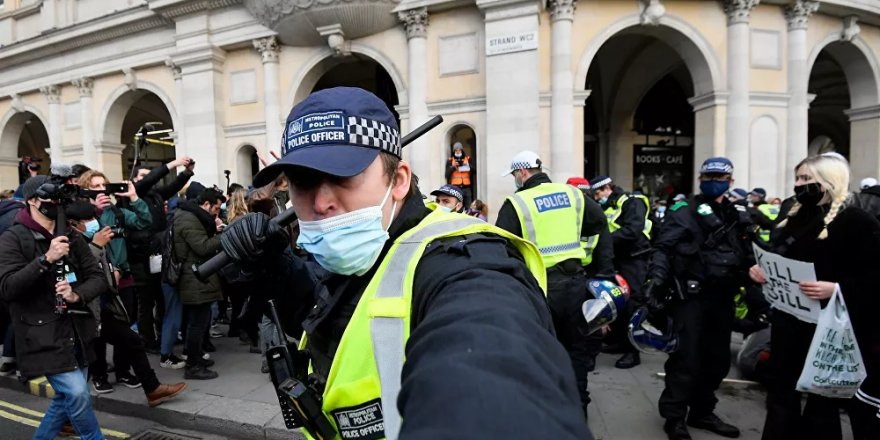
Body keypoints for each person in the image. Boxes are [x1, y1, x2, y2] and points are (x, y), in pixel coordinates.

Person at [220, 87, 592, 439]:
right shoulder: (369, 248)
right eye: (303, 182)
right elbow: (336, 311)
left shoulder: (464, 263)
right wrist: (275, 268)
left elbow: (492, 354)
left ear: (398, 181)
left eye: (342, 177)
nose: (320, 203)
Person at [749, 155, 880, 440]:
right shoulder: (791, 215)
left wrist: (836, 289)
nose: (799, 185)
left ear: (830, 180)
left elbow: (873, 275)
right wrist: (761, 269)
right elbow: (779, 257)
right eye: (798, 178)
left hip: (829, 326)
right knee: (781, 393)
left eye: (807, 179)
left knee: (822, 402)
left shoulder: (857, 221)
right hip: (788, 320)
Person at [495, 150, 613, 420]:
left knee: (539, 349)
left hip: (539, 289)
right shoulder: (573, 195)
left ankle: (546, 410)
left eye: (514, 174)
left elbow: (503, 248)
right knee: (576, 348)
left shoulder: (518, 202)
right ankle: (578, 411)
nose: (514, 179)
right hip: (574, 286)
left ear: (523, 172)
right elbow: (599, 225)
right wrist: (602, 273)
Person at [647, 157, 756, 440]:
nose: (712, 181)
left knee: (717, 360)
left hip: (722, 298)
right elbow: (662, 248)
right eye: (707, 177)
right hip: (690, 298)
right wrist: (656, 280)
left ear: (730, 181)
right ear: (699, 179)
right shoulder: (684, 211)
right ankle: (674, 417)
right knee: (686, 359)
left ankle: (702, 411)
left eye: (718, 177)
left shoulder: (736, 214)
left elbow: (748, 252)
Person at [0, 175, 105, 439]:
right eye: (50, 198)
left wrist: (76, 294)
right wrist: (45, 259)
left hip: (76, 330)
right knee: (77, 393)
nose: (56, 203)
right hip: (40, 333)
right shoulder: (14, 237)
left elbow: (97, 277)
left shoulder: (69, 233)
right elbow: (7, 287)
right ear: (33, 201)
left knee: (65, 398)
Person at [65, 201, 187, 406]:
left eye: (93, 218)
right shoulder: (69, 243)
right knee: (84, 364)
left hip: (102, 306)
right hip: (84, 312)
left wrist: (112, 272)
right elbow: (74, 276)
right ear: (73, 224)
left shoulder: (92, 239)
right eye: (88, 220)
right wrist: (95, 246)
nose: (94, 223)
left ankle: (152, 389)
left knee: (131, 341)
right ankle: (67, 415)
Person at [126, 157, 195, 353]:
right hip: (140, 257)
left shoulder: (155, 195)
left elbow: (172, 187)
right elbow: (148, 181)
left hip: (158, 254)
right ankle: (148, 340)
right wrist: (172, 164)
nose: (149, 180)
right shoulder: (133, 194)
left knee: (162, 298)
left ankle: (164, 335)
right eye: (143, 176)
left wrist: (186, 172)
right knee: (145, 302)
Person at [590, 175, 652, 369]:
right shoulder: (607, 207)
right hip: (617, 259)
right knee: (617, 301)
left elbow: (633, 230)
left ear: (608, 187)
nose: (598, 196)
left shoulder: (632, 202)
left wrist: (605, 239)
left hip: (635, 259)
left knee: (633, 303)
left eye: (599, 192)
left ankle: (633, 352)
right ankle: (619, 341)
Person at [173, 187, 225, 380]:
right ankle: (193, 365)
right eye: (216, 208)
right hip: (194, 277)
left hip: (197, 276)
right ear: (205, 205)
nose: (216, 212)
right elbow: (202, 247)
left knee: (199, 322)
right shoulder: (188, 219)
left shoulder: (192, 217)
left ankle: (196, 359)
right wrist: (222, 237)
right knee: (196, 324)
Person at [445, 142, 474, 207]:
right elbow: (446, 175)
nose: (458, 151)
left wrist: (468, 166)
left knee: (468, 206)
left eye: (459, 150)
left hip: (466, 187)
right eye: (456, 150)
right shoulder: (450, 160)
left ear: (462, 150)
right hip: (456, 187)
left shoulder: (468, 159)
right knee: (457, 206)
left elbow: (474, 171)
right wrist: (453, 167)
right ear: (454, 151)